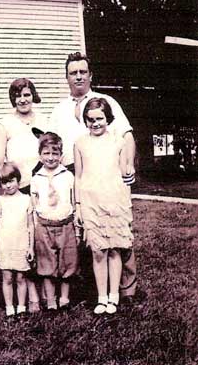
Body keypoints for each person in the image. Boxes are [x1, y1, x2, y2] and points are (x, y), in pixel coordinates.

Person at [49, 52, 137, 299]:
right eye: (73, 73)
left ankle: (126, 290)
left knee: (119, 236)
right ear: (66, 78)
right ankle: (92, 289)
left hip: (109, 175)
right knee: (86, 234)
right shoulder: (59, 110)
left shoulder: (106, 101)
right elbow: (51, 145)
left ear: (90, 75)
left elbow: (127, 136)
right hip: (75, 175)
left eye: (82, 72)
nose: (78, 76)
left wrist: (127, 165)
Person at [0, 78, 47, 313]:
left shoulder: (43, 119)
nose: (23, 99)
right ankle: (31, 294)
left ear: (33, 95)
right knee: (20, 239)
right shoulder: (5, 124)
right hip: (17, 190)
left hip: (41, 187)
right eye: (18, 95)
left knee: (40, 238)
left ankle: (46, 289)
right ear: (12, 99)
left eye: (27, 94)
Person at [74, 97, 134, 314]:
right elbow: (78, 177)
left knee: (114, 249)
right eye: (90, 120)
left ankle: (114, 297)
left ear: (107, 118)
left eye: (99, 118)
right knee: (99, 251)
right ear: (85, 121)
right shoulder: (80, 143)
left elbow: (125, 172)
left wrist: (130, 174)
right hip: (91, 201)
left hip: (114, 200)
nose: (95, 123)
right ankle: (101, 297)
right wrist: (78, 205)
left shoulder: (119, 142)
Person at [30, 132, 79, 310]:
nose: (51, 158)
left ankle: (64, 299)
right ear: (40, 155)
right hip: (44, 227)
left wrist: (77, 227)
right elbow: (34, 205)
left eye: (55, 153)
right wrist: (35, 228)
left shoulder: (68, 177)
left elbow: (74, 202)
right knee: (46, 264)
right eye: (46, 153)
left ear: (61, 155)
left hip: (65, 225)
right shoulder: (36, 179)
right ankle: (51, 301)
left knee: (68, 262)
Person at [0, 162, 35, 317]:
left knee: (21, 277)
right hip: (5, 244)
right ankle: (10, 308)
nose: (8, 185)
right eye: (4, 182)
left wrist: (31, 247)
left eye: (11, 181)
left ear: (18, 180)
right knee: (7, 277)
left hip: (21, 243)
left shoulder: (26, 199)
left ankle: (21, 307)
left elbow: (31, 225)